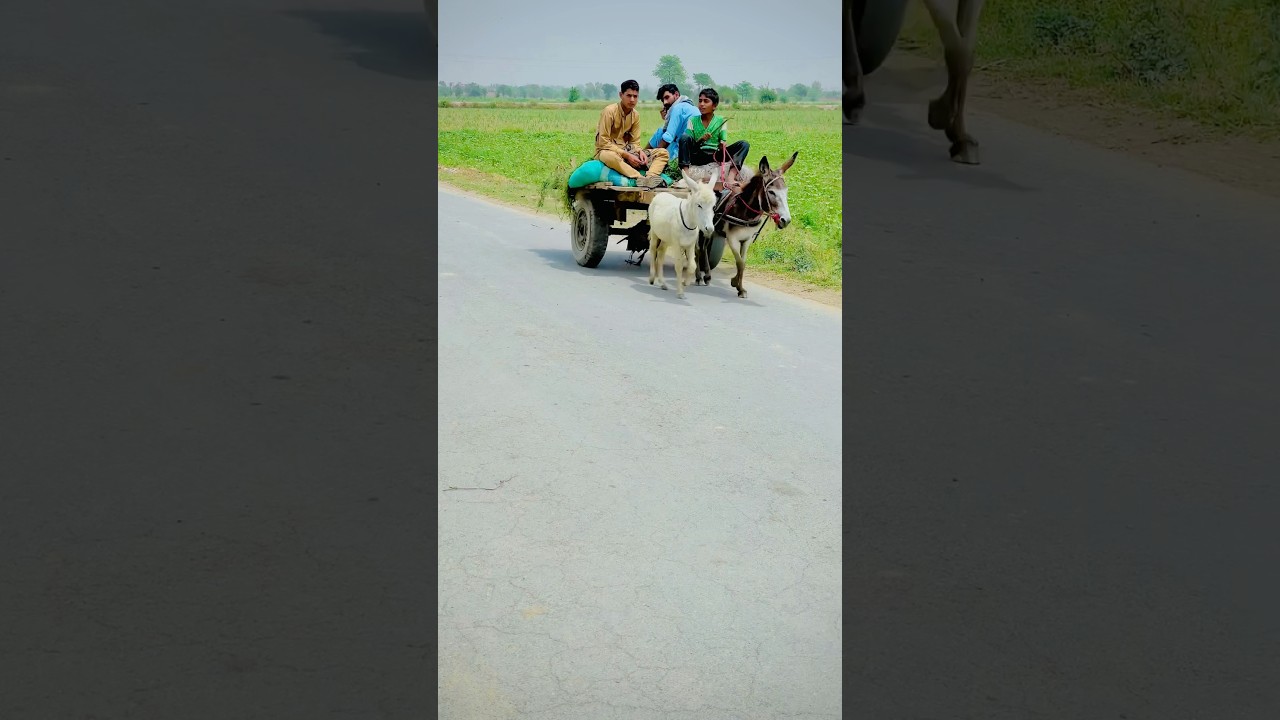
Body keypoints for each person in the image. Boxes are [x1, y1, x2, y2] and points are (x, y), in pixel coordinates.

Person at [593, 79, 667, 188]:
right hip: (607, 151)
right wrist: (626, 155)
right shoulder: (609, 111)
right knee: (610, 156)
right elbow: (603, 142)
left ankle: (651, 177)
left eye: (635, 96)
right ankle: (639, 178)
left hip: (627, 151)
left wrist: (639, 151)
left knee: (663, 153)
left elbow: (635, 142)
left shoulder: (635, 115)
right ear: (621, 95)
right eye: (629, 95)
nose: (632, 100)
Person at [677, 87, 750, 172]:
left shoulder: (720, 120)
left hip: (716, 155)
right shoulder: (692, 120)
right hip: (698, 155)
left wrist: (722, 145)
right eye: (700, 101)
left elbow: (723, 141)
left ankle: (732, 175)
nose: (701, 104)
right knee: (684, 137)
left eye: (706, 101)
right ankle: (685, 172)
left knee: (744, 144)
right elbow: (690, 145)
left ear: (714, 106)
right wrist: (701, 140)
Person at [645, 83, 698, 171]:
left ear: (676, 94)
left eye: (667, 97)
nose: (665, 102)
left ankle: (643, 157)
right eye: (663, 100)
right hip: (692, 148)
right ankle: (644, 155)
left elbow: (668, 137)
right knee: (661, 132)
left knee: (660, 133)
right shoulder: (690, 106)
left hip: (682, 151)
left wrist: (654, 155)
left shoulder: (678, 108)